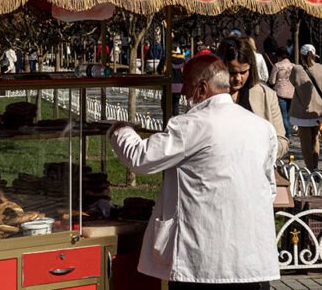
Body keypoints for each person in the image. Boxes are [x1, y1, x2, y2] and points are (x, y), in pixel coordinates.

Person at [109, 54, 280, 288]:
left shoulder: (194, 124)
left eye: (187, 86)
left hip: (203, 263)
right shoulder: (262, 127)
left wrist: (121, 129)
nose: (185, 94)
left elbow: (140, 158)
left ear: (201, 88)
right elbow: (269, 190)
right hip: (251, 262)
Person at [216, 36, 288, 160]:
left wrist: (261, 151)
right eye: (232, 72)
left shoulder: (266, 95)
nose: (238, 78)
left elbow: (282, 141)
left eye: (243, 72)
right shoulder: (208, 96)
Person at [289, 43, 322, 171]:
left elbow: (293, 81)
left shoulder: (297, 69)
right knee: (315, 139)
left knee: (305, 142)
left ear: (301, 55)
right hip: (318, 111)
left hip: (301, 111)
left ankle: (310, 169)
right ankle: (315, 166)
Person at [267, 47, 295, 135]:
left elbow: (272, 81)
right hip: (292, 93)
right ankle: (289, 132)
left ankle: (287, 134)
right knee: (289, 115)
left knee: (284, 115)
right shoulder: (294, 66)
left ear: (279, 56)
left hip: (280, 92)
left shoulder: (277, 66)